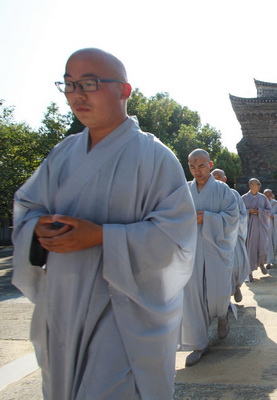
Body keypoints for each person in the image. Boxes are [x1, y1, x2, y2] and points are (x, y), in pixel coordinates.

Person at [11, 48, 197, 399]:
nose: (77, 94)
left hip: (124, 307)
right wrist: (35, 228)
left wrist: (102, 236)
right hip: (63, 301)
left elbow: (176, 237)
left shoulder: (155, 157)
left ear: (125, 91)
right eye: (69, 85)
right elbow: (27, 205)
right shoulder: (62, 154)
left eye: (90, 83)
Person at [180, 150, 239, 367]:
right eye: (192, 167)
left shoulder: (224, 191)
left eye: (202, 166)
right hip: (192, 250)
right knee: (193, 295)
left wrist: (208, 218)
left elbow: (233, 217)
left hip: (216, 249)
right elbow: (173, 216)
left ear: (210, 164)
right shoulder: (184, 190)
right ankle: (199, 343)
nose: (197, 171)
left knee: (218, 292)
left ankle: (223, 315)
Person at [212, 169, 250, 303]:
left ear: (225, 179)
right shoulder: (207, 194)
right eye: (213, 177)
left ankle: (237, 286)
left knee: (235, 265)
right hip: (213, 237)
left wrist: (229, 223)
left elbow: (242, 215)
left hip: (232, 237)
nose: (216, 179)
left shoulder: (233, 194)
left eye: (218, 177)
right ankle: (223, 299)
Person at [242, 178, 272, 280]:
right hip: (249, 228)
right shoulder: (244, 198)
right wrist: (249, 211)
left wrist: (260, 211)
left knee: (263, 248)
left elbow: (269, 211)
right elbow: (239, 212)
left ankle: (261, 264)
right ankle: (249, 272)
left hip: (261, 226)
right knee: (250, 249)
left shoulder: (263, 198)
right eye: (257, 184)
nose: (259, 185)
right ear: (251, 185)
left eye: (259, 184)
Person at [264, 188, 277, 269]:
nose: (268, 196)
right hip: (263, 226)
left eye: (269, 194)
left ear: (272, 195)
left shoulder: (275, 203)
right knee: (265, 243)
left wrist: (274, 216)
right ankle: (267, 261)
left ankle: (272, 258)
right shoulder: (261, 203)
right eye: (266, 194)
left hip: (273, 226)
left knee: (273, 242)